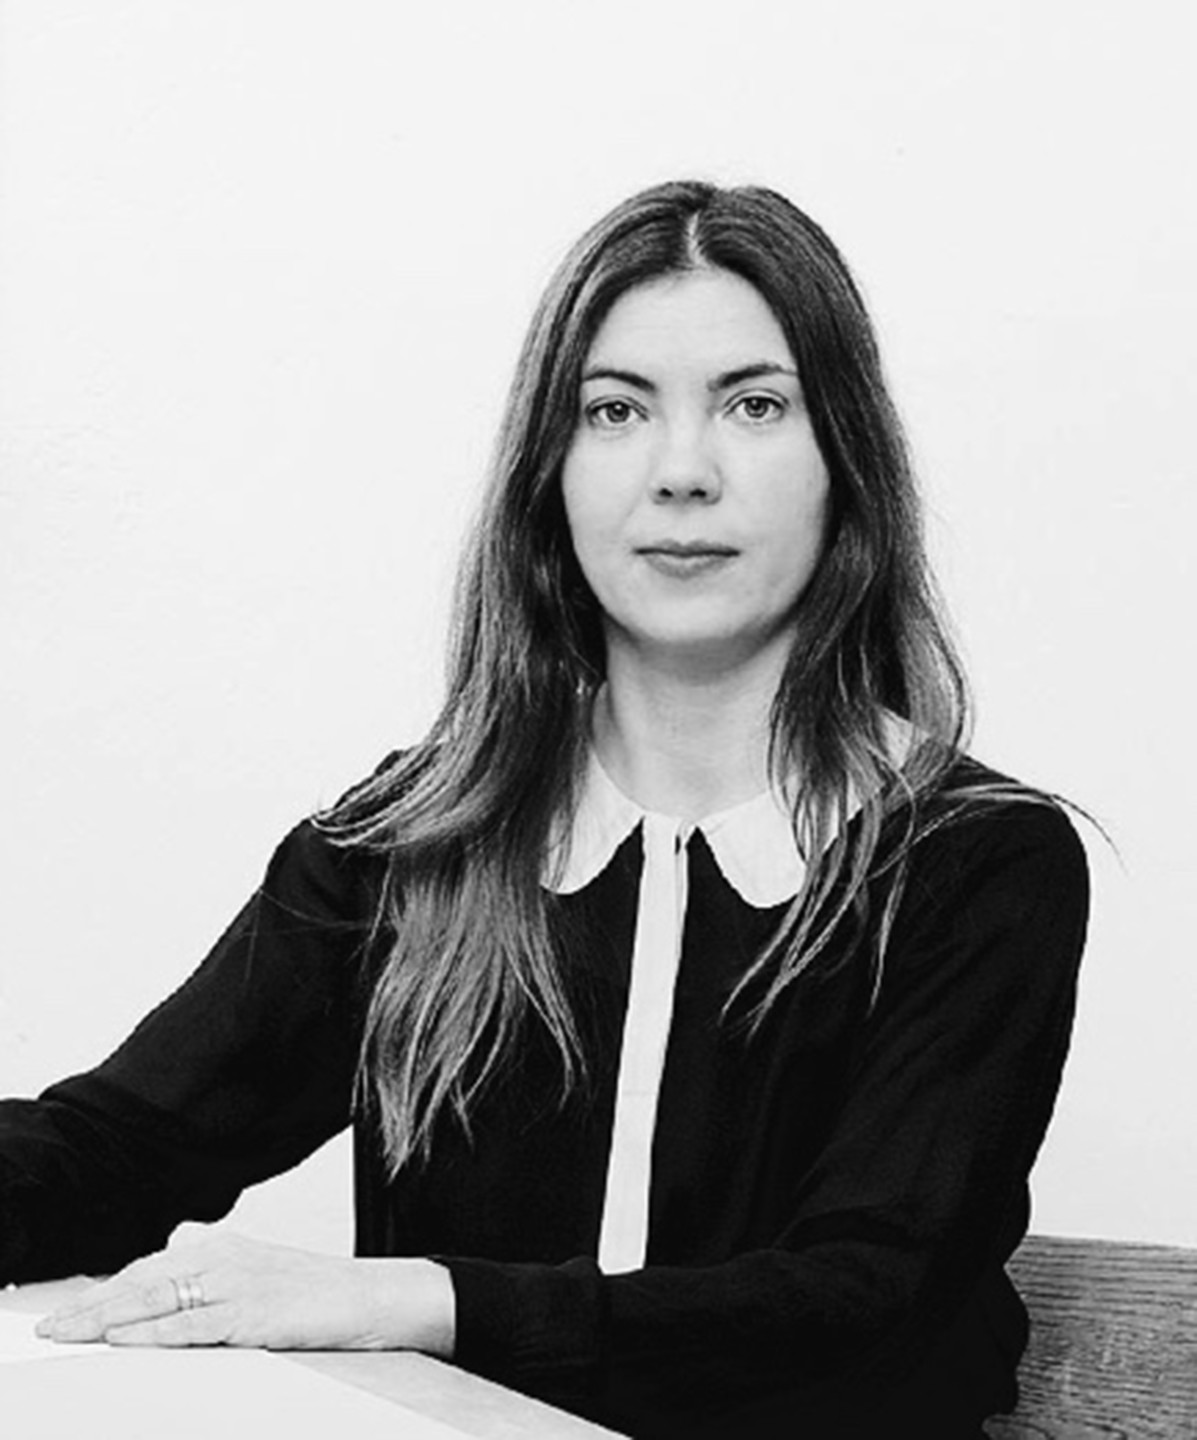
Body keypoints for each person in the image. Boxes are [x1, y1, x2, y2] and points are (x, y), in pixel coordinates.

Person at [0, 180, 1088, 1438]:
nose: (684, 472)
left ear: (847, 462)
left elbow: (861, 1294)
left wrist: (409, 1301)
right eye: (615, 411)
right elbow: (120, 1149)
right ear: (549, 476)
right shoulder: (407, 846)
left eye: (755, 404)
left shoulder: (980, 865)